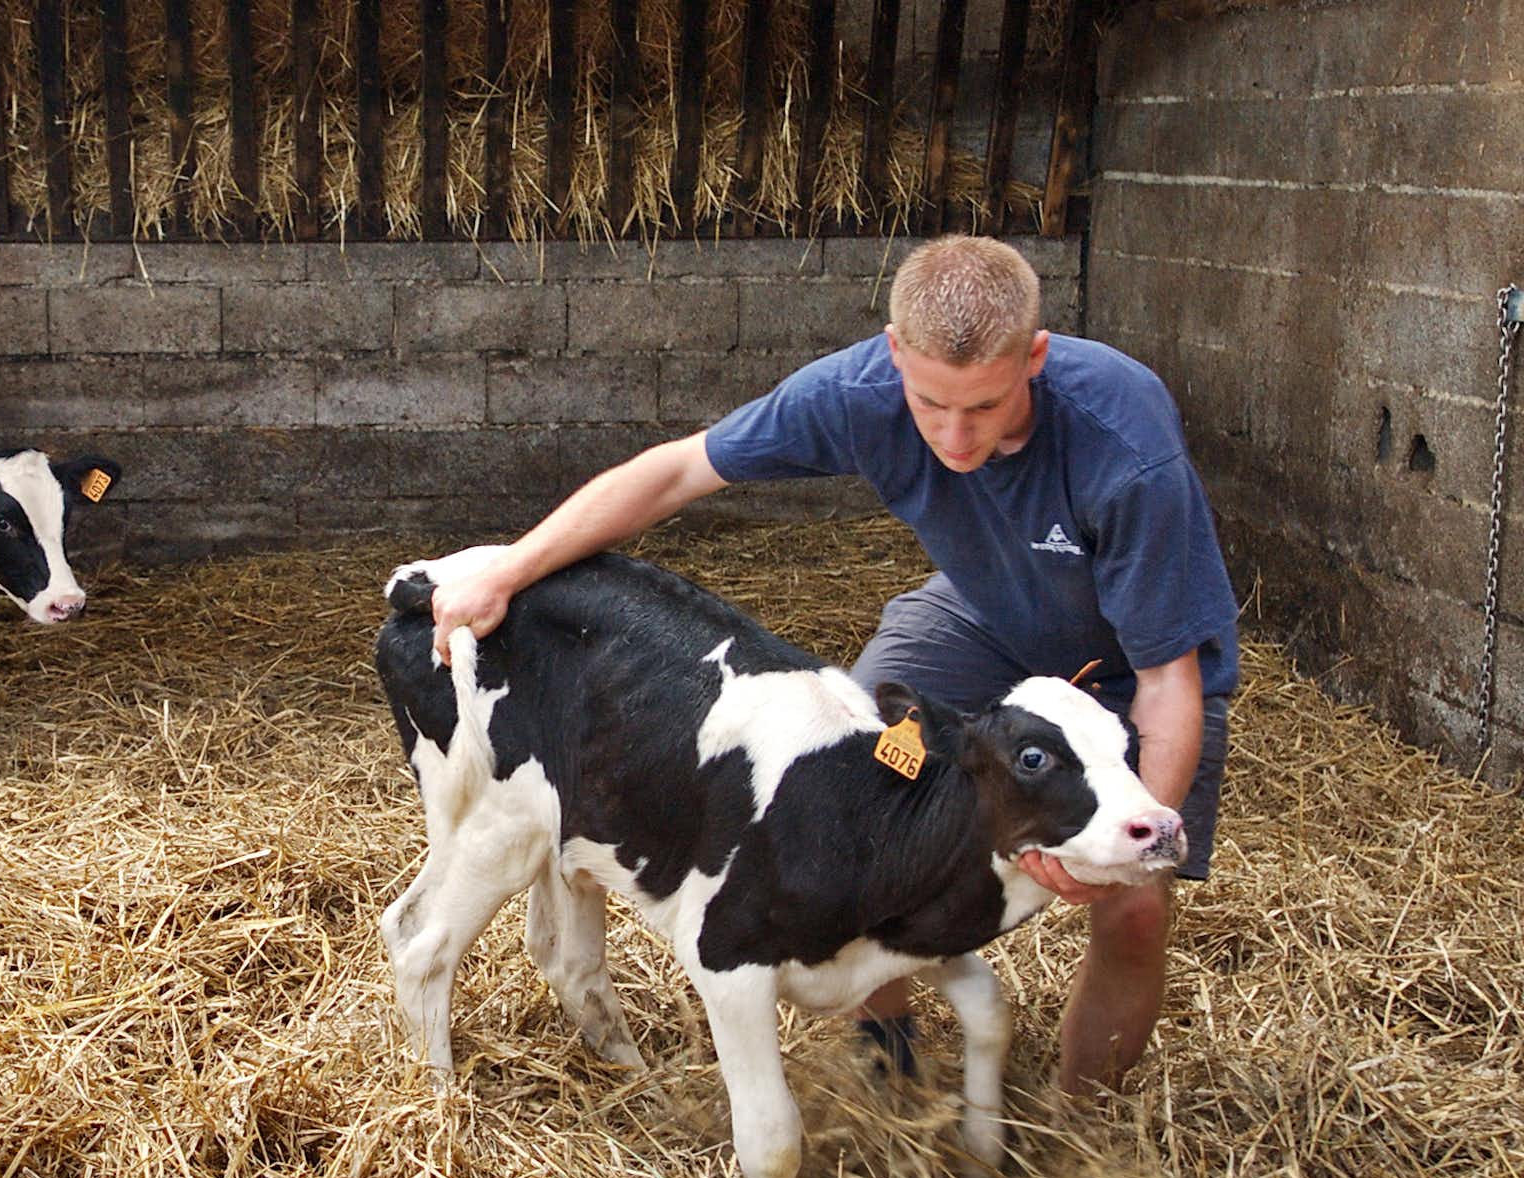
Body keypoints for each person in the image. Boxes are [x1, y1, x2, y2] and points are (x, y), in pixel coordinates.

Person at [426, 236, 1238, 1097]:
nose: (955, 436)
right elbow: (674, 474)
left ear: (1035, 357)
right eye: (931, 405)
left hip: (1123, 656)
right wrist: (511, 567)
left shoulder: (1122, 444)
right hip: (981, 612)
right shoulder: (858, 393)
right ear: (895, 355)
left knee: (1137, 906)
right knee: (862, 792)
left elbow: (1166, 685)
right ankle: (892, 1062)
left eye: (987, 406)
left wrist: (1124, 845)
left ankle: (1080, 1133)